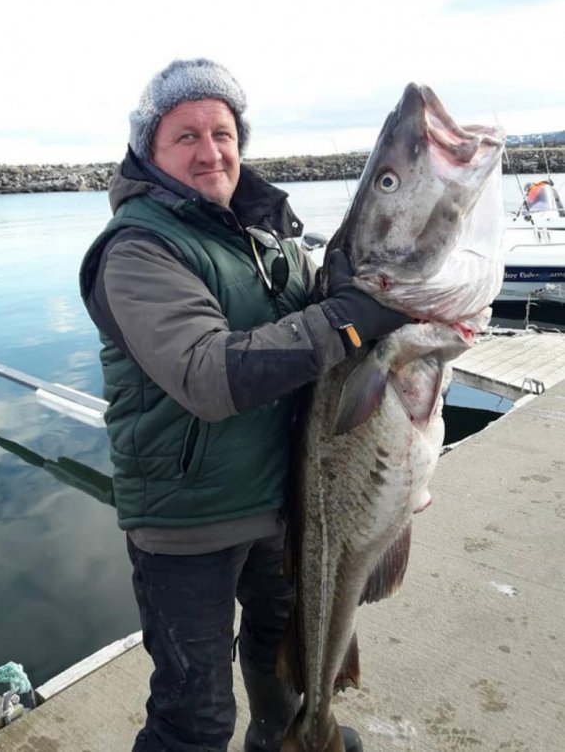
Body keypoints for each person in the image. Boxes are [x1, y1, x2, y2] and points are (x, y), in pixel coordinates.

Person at [79, 58, 407, 752]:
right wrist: (345, 319)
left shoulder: (263, 233)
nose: (210, 151)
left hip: (283, 505)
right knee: (192, 716)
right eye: (186, 136)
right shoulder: (138, 249)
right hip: (186, 521)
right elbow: (208, 374)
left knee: (281, 671)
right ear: (150, 152)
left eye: (222, 132)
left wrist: (339, 298)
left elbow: (313, 347)